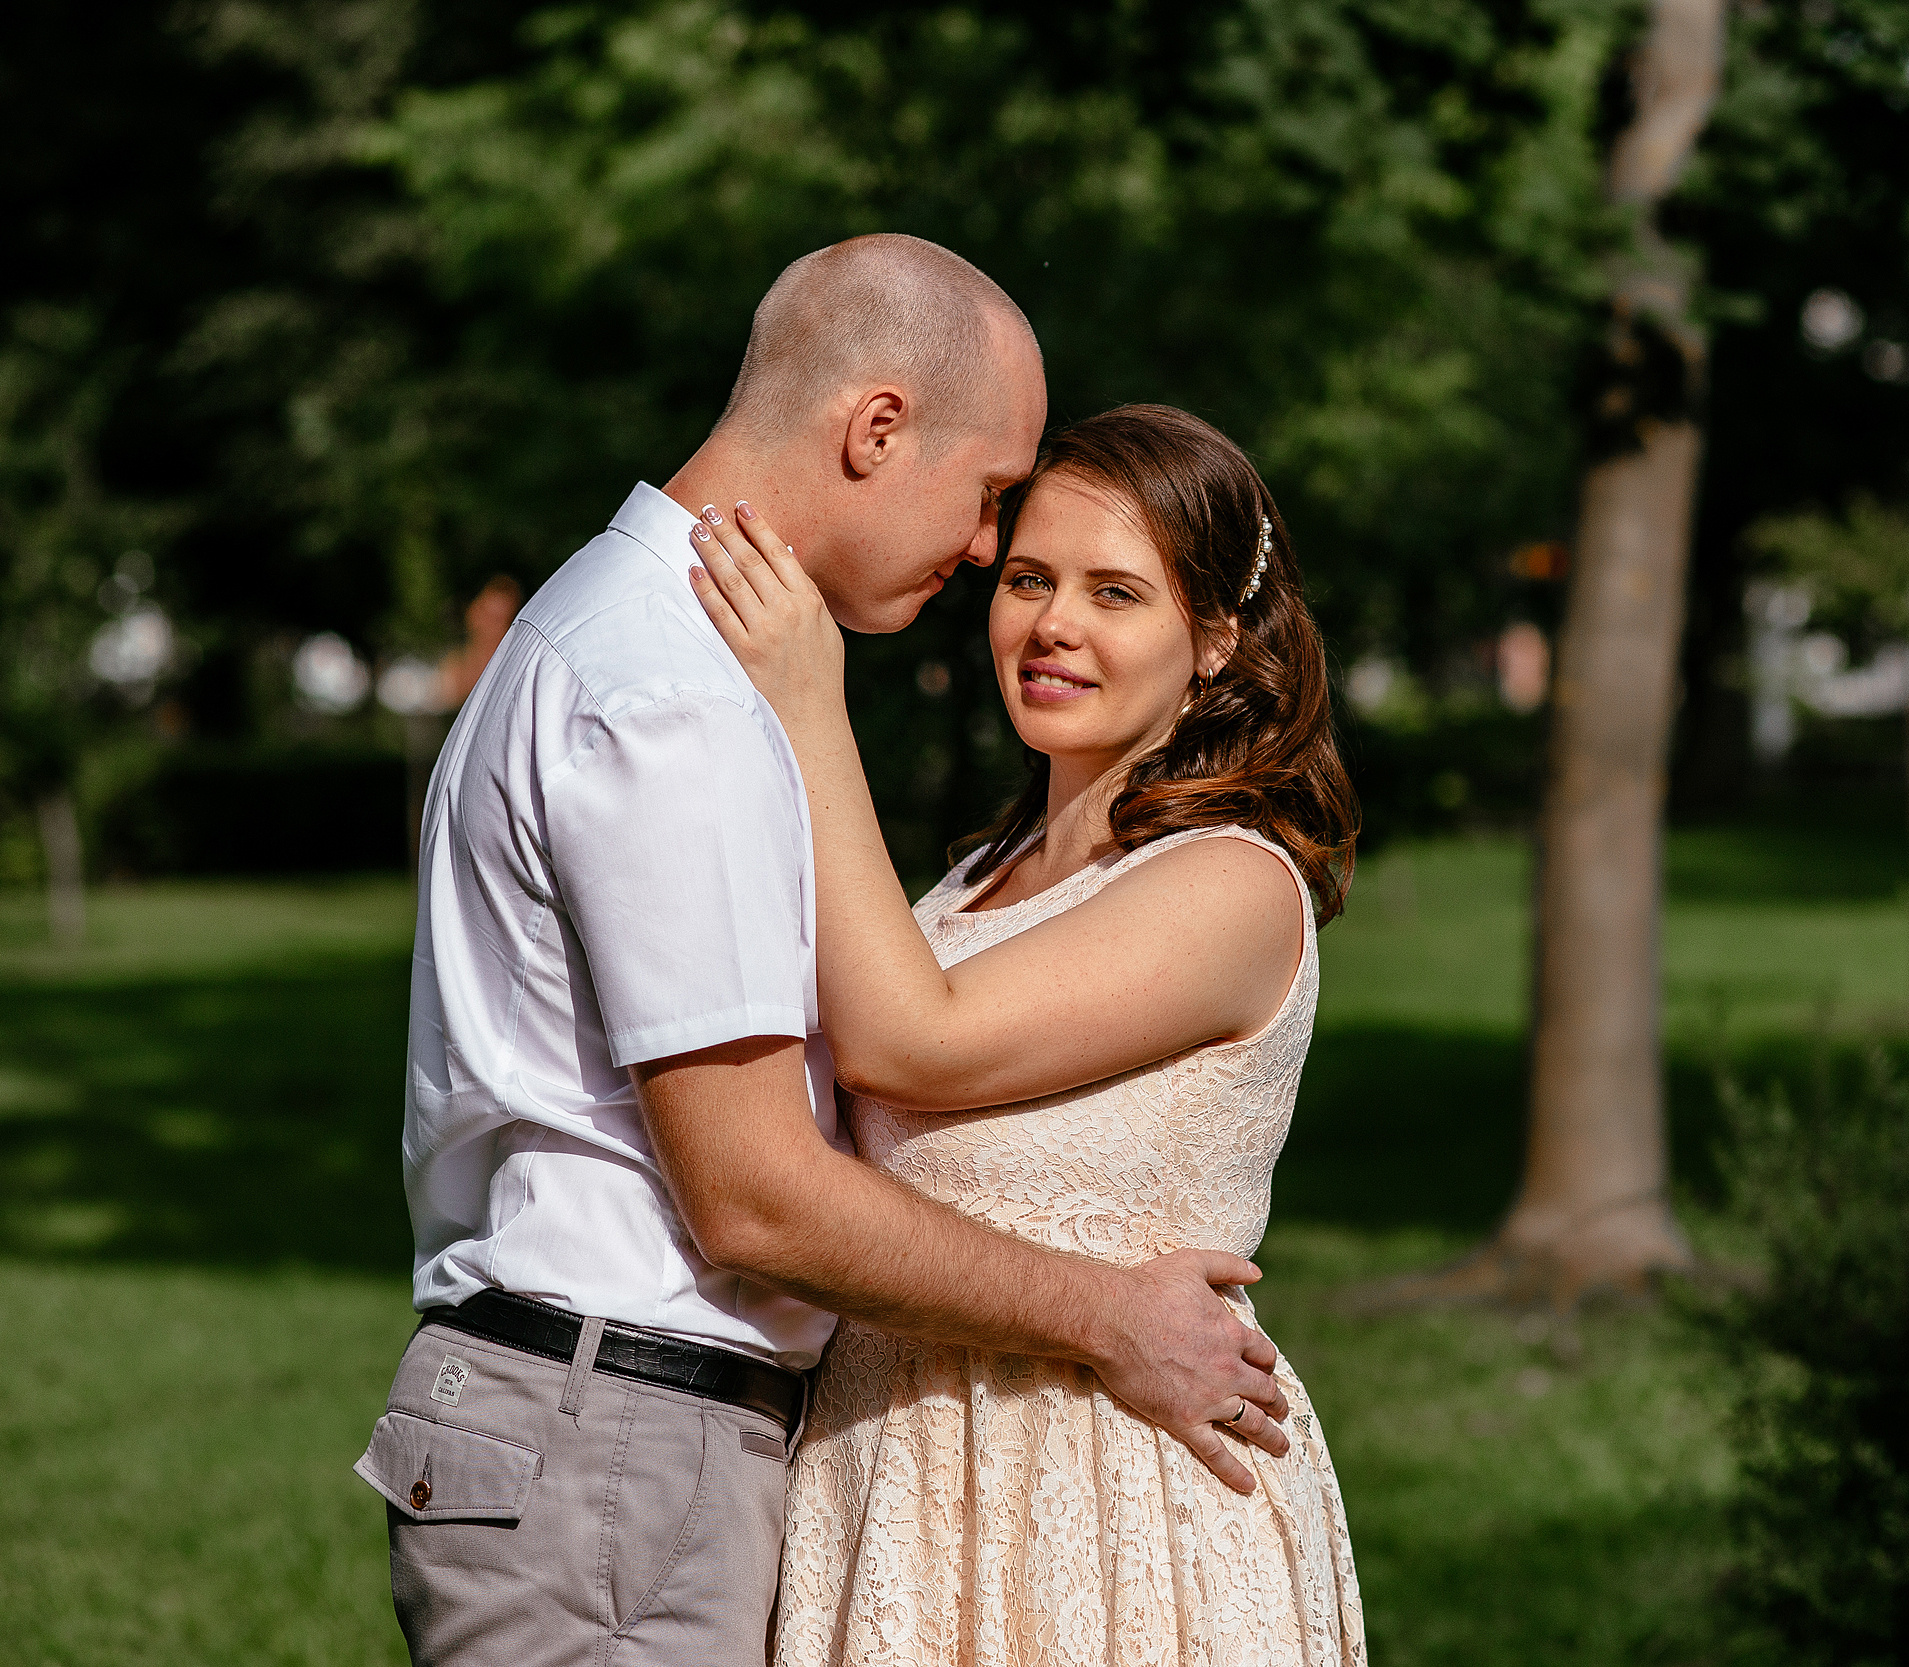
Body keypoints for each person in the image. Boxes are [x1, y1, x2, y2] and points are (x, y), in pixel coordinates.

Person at [354, 237, 1292, 1667]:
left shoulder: (630, 644)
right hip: (616, 1438)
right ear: (874, 429)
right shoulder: (670, 692)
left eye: (1114, 589)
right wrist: (1112, 1314)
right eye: (998, 513)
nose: (993, 563)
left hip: (671, 1443)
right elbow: (758, 1195)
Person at [687, 402, 1367, 1665]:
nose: (1053, 622)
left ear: (1214, 640)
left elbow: (911, 1042)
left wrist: (804, 701)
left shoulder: (1231, 883)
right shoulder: (972, 880)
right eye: (1029, 579)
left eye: (1117, 593)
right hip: (889, 1463)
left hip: (1102, 1489)